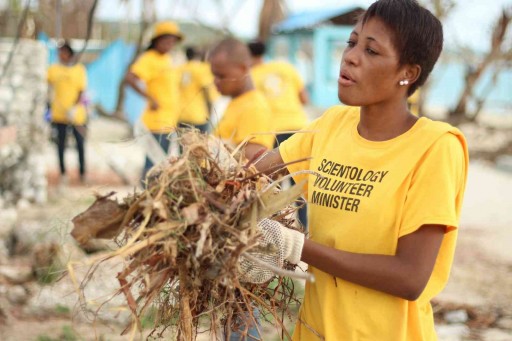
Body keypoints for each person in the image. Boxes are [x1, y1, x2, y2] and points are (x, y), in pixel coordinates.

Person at [251, 1, 469, 340]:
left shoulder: (435, 147)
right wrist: (203, 170)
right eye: (352, 42)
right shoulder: (332, 124)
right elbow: (254, 171)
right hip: (314, 331)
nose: (350, 57)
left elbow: (410, 278)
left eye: (371, 51)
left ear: (408, 73)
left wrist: (296, 246)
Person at [248, 40, 309, 228]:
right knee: (299, 181)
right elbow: (304, 98)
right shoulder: (286, 67)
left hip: (272, 132)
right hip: (298, 128)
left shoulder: (251, 76)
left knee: (273, 185)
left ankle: (280, 228)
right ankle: (304, 228)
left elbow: (253, 108)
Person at [125, 21, 183, 182]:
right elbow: (130, 78)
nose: (169, 44)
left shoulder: (167, 59)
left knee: (163, 162)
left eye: (172, 41)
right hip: (157, 121)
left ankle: (155, 195)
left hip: (169, 119)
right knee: (154, 163)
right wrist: (150, 98)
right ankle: (147, 196)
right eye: (166, 40)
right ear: (156, 40)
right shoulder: (149, 58)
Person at [209, 38, 274, 161]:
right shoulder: (237, 102)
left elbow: (252, 166)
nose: (216, 81)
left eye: (221, 76)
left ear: (243, 69)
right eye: (214, 75)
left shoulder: (254, 108)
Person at [47, 41, 88, 185]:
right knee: (60, 144)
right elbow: (47, 86)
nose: (60, 55)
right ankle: (63, 173)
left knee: (80, 144)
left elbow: (81, 90)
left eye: (63, 52)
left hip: (76, 115)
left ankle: (82, 173)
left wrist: (74, 108)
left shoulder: (79, 69)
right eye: (59, 52)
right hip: (59, 115)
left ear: (69, 54)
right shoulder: (53, 69)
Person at [177, 46, 217, 133]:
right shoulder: (201, 69)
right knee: (199, 145)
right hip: (198, 116)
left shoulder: (180, 69)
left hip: (181, 114)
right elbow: (206, 90)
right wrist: (210, 111)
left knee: (183, 144)